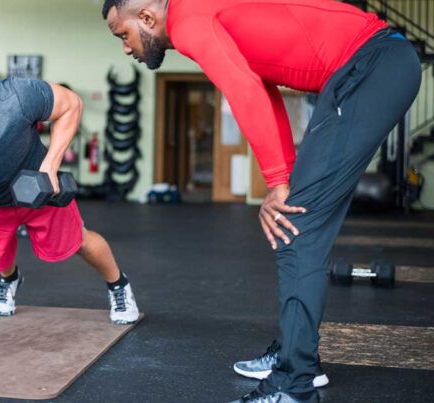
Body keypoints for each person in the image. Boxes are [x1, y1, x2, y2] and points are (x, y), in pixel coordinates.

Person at [102, 0, 421, 401]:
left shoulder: (188, 22)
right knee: (295, 221)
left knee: (295, 227)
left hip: (370, 63)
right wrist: (282, 177)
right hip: (368, 67)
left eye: (123, 36)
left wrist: (275, 182)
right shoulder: (198, 17)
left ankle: (294, 381)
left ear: (146, 18)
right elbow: (261, 87)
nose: (127, 48)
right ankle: (295, 356)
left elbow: (242, 90)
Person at [0, 78, 140, 337]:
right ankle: (9, 279)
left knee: (78, 242)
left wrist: (50, 166)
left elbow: (71, 104)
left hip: (38, 188)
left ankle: (118, 284)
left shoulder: (15, 98)